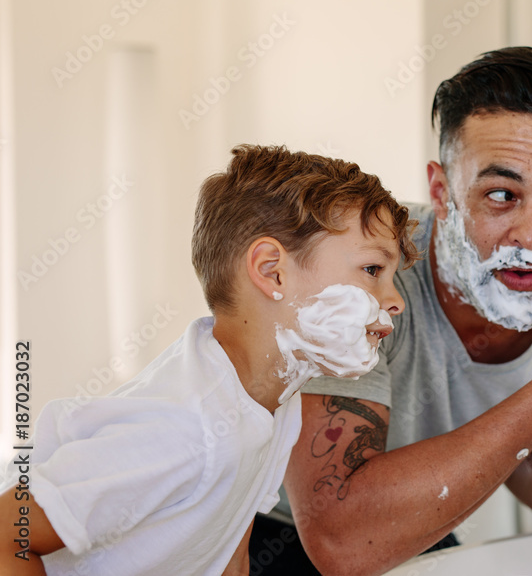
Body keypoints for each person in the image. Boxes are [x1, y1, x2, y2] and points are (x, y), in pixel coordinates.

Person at [259, 47, 532, 576]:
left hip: (413, 523)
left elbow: (508, 433)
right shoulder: (360, 277)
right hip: (273, 534)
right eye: (501, 193)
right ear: (442, 192)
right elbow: (341, 541)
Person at [0, 145, 417, 575]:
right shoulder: (186, 428)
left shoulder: (274, 401)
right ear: (273, 271)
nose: (395, 301)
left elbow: (228, 551)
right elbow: (8, 535)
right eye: (372, 270)